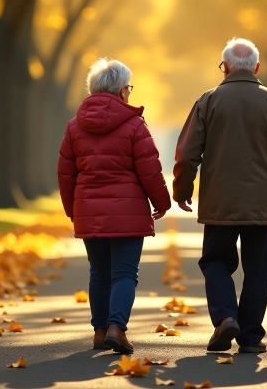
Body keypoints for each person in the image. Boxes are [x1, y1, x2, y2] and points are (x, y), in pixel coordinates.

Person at [173, 37, 267, 353]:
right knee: (257, 270)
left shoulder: (209, 101)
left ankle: (225, 317)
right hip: (263, 203)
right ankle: (249, 337)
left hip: (221, 201)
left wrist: (183, 190)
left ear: (225, 67)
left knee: (215, 261)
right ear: (256, 67)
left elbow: (187, 154)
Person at [58, 58, 171, 354]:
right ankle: (116, 328)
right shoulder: (135, 125)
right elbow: (150, 169)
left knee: (98, 272)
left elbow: (66, 173)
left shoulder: (73, 127)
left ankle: (99, 331)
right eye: (129, 88)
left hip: (89, 209)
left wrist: (73, 210)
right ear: (122, 91)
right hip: (128, 213)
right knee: (124, 273)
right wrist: (161, 202)